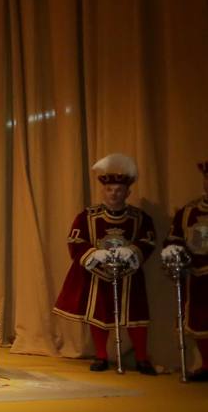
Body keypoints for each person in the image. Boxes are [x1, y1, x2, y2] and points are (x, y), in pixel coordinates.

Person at [53, 153, 157, 374]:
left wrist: (132, 250)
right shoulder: (87, 216)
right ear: (103, 191)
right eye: (110, 190)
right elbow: (75, 240)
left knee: (135, 315)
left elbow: (149, 240)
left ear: (127, 192)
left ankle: (141, 358)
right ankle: (101, 356)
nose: (114, 194)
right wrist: (92, 254)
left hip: (129, 274)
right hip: (99, 274)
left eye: (119, 190)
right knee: (99, 314)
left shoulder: (139, 218)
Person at [162, 160, 208, 381]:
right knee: (199, 321)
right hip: (197, 275)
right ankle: (207, 365)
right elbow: (174, 239)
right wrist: (173, 251)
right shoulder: (189, 211)